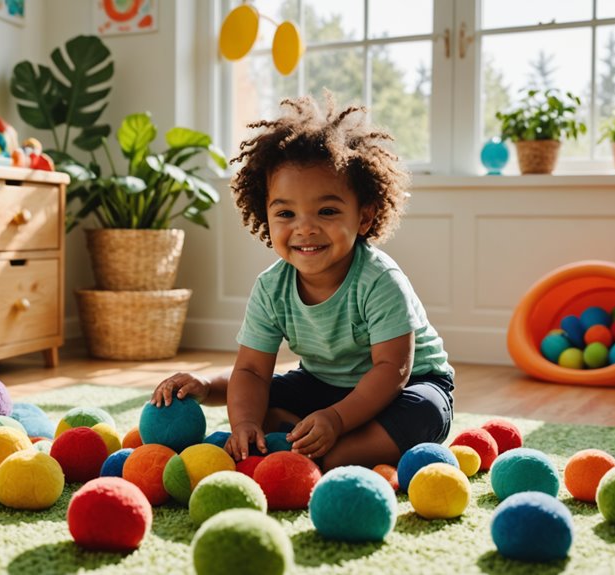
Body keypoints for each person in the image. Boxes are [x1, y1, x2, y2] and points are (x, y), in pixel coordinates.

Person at [151, 93, 453, 471]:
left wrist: (337, 419)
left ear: (363, 217)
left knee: (425, 411)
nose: (305, 228)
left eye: (327, 211)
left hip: (407, 384)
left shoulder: (379, 280)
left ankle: (331, 455)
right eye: (286, 213)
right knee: (261, 394)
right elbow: (252, 371)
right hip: (322, 383)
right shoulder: (271, 287)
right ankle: (285, 433)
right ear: (265, 215)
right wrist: (242, 422)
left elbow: (392, 370)